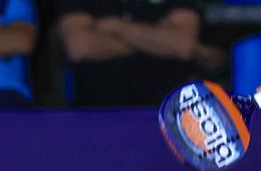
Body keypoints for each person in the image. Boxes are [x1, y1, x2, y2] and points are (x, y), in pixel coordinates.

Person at [57, 0, 201, 107]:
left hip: (167, 114)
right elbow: (79, 47)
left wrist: (115, 26)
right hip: (95, 113)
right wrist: (155, 36)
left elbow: (183, 46)